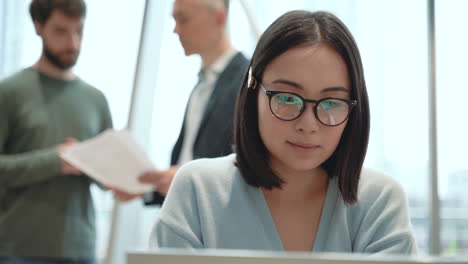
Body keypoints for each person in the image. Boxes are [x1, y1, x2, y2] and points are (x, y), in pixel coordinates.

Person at [149, 10, 418, 254]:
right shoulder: (198, 191)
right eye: (288, 98)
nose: (308, 124)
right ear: (254, 93)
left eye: (331, 103)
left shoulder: (379, 202)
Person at [0, 0, 112, 263]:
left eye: (79, 31)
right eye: (61, 31)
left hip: (81, 251)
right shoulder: (10, 93)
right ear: (39, 27)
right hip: (17, 251)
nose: (73, 44)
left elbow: (107, 177)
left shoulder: (96, 100)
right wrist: (55, 161)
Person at [112, 0, 249, 203]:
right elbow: (186, 164)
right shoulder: (201, 86)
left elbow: (247, 168)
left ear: (219, 17)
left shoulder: (247, 83)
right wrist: (147, 188)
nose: (176, 30)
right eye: (174, 20)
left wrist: (185, 179)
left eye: (183, 19)